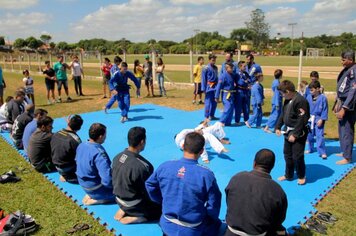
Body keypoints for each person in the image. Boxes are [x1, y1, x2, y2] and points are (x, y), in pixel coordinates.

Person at [146, 132, 222, 236]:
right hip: (193, 228)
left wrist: (162, 200)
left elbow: (150, 185)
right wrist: (209, 218)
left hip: (167, 224)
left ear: (183, 146)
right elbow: (214, 203)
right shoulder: (206, 175)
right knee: (218, 227)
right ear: (202, 151)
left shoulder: (165, 166)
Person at [225, 149, 288, 236]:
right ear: (272, 167)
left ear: (254, 163)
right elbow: (279, 219)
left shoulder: (237, 178)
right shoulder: (277, 190)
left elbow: (229, 200)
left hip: (231, 231)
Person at [112, 127, 161, 224]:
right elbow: (149, 192)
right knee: (162, 210)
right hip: (135, 204)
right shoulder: (143, 166)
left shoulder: (117, 157)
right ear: (142, 142)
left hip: (118, 199)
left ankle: (124, 209)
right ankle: (139, 217)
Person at [275, 80, 310, 185]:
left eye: (282, 93)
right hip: (287, 131)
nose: (282, 95)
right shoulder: (287, 100)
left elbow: (302, 119)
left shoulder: (301, 101)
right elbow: (283, 114)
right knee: (287, 155)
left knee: (297, 156)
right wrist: (277, 126)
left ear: (288, 91)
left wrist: (295, 134)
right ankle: (288, 174)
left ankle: (301, 175)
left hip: (298, 132)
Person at [76, 123, 115, 205]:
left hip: (83, 184)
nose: (105, 137)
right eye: (105, 135)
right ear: (100, 136)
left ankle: (92, 194)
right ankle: (98, 199)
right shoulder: (99, 153)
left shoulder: (81, 145)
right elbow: (107, 181)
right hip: (96, 188)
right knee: (124, 195)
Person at [334, 50, 356, 165]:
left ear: (350, 60)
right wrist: (337, 103)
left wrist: (345, 108)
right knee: (342, 128)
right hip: (342, 101)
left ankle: (347, 157)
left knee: (347, 130)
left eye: (343, 60)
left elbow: (353, 91)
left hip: (349, 105)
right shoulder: (348, 69)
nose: (341, 62)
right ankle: (344, 151)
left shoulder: (354, 71)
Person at [51, 114, 83, 183]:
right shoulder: (75, 140)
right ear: (79, 128)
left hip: (56, 166)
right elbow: (82, 157)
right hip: (68, 169)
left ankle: (65, 175)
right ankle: (69, 177)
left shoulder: (56, 134)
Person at [305, 80, 328, 159]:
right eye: (310, 90)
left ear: (318, 89)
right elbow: (306, 108)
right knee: (309, 135)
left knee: (319, 136)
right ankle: (310, 148)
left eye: (312, 90)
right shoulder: (308, 97)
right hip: (309, 119)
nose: (310, 92)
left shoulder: (323, 98)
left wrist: (322, 119)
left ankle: (322, 152)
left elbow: (325, 110)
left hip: (318, 119)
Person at [202, 54, 218, 120]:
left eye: (214, 60)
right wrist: (203, 88)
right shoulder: (205, 68)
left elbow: (217, 77)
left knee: (214, 102)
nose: (214, 61)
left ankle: (212, 115)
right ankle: (206, 116)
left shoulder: (215, 67)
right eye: (212, 60)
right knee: (208, 103)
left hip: (215, 87)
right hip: (209, 87)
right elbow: (203, 79)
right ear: (209, 60)